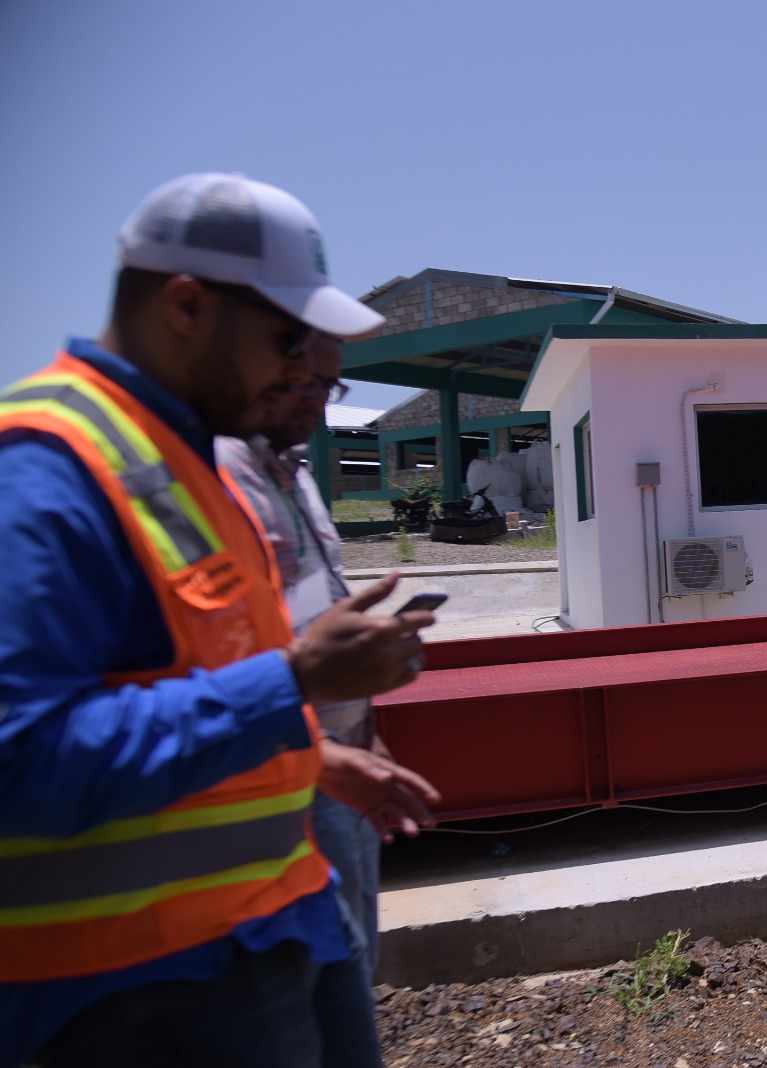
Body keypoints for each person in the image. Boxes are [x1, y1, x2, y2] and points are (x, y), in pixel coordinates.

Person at [0, 173, 435, 1067]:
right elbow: (22, 758)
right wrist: (298, 682)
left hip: (265, 930)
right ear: (187, 305)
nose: (303, 365)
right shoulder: (43, 472)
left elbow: (182, 675)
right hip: (135, 990)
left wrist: (314, 754)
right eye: (287, 336)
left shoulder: (184, 460)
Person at [217, 336, 440, 982]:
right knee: (319, 974)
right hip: (282, 762)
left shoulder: (297, 475)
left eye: (329, 388)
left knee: (353, 956)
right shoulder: (211, 476)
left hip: (342, 750)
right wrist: (317, 747)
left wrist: (364, 730)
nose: (318, 404)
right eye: (305, 384)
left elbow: (311, 614)